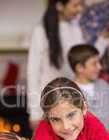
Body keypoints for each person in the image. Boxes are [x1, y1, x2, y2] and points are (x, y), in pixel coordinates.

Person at [27, 0, 85, 130]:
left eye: (82, 4)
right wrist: (34, 113)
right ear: (60, 6)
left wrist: (104, 39)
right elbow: (33, 72)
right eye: (75, 5)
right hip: (48, 104)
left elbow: (84, 60)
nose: (80, 9)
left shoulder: (76, 29)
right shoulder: (41, 30)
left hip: (72, 102)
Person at [68, 44, 109, 129]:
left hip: (106, 139)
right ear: (79, 67)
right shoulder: (68, 92)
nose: (100, 67)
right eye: (94, 64)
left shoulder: (102, 85)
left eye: (99, 62)